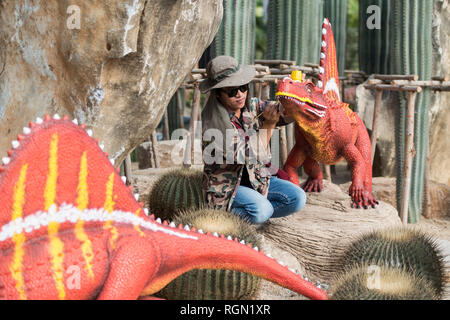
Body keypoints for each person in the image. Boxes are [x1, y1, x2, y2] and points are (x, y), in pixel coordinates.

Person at [200, 55, 306, 224]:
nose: (240, 94)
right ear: (218, 94)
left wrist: (294, 97)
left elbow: (284, 114)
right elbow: (248, 154)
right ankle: (223, 217)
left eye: (243, 87)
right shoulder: (212, 126)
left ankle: (257, 211)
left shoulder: (251, 107)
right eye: (232, 91)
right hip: (227, 190)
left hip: (256, 180)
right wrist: (269, 124)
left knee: (297, 198)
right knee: (262, 210)